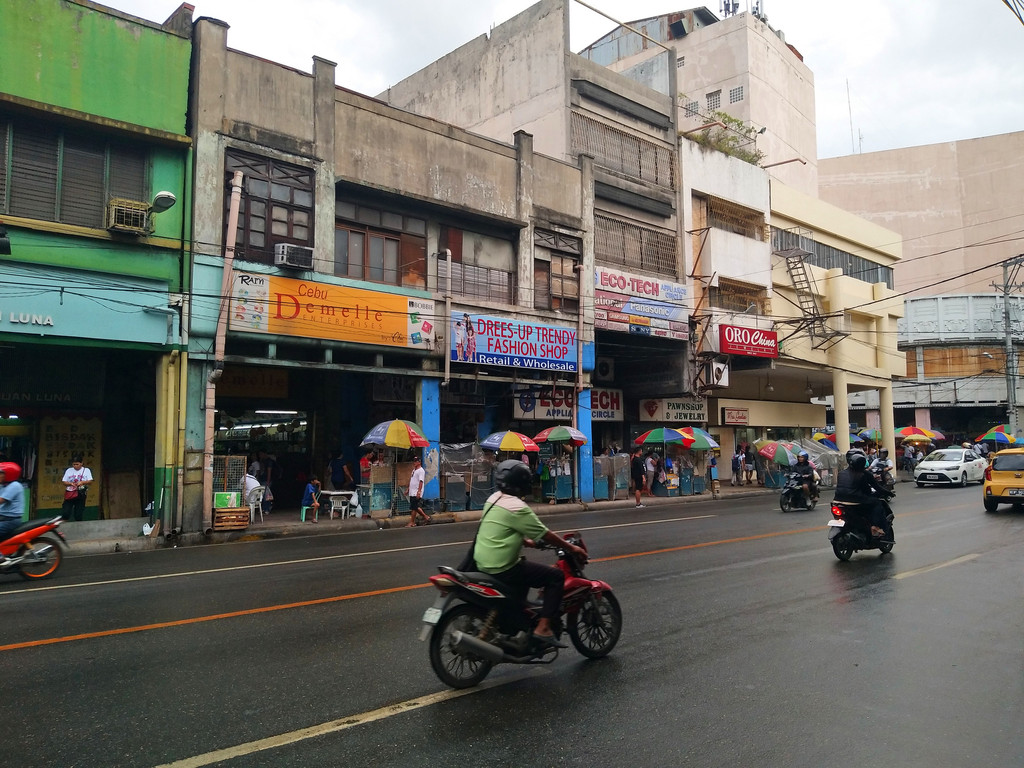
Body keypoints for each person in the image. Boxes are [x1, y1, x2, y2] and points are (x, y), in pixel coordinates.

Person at [472, 460, 588, 647]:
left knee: (524, 576)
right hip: (503, 567)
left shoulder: (493, 499)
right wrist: (571, 548)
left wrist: (525, 542)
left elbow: (501, 530)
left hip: (482, 563)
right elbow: (545, 534)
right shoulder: (518, 507)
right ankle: (542, 628)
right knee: (556, 577)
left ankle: (517, 624)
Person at [834, 449, 892, 539]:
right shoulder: (863, 474)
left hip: (837, 500)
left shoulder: (841, 473)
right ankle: (875, 527)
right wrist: (889, 493)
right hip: (855, 501)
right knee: (877, 503)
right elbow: (873, 488)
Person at [0, 463, 26, 556]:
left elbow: (1, 500)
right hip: (4, 518)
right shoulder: (4, 485)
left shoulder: (14, 485)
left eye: (1, 473)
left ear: (9, 474)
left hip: (11, 520)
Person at [60, 455, 93, 522]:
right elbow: (64, 481)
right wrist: (70, 484)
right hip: (70, 493)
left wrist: (82, 482)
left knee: (78, 513)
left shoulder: (86, 470)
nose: (75, 466)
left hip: (81, 493)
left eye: (77, 464)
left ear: (81, 463)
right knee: (66, 512)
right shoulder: (69, 470)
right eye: (74, 464)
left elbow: (90, 481)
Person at [406, 456, 431, 527]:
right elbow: (412, 480)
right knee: (414, 507)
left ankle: (412, 522)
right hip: (412, 491)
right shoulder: (414, 470)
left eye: (416, 461)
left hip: (416, 491)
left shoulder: (421, 471)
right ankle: (425, 517)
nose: (414, 463)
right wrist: (408, 489)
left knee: (414, 507)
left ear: (419, 462)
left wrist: (419, 491)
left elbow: (421, 481)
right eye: (414, 461)